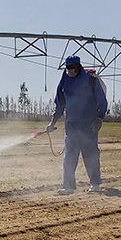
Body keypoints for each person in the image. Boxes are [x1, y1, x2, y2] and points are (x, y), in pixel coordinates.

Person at [46, 55, 108, 194]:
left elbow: (102, 102)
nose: (69, 70)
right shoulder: (64, 82)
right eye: (67, 67)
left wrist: (99, 118)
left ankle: (95, 184)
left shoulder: (91, 81)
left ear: (78, 67)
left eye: (72, 67)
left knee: (90, 155)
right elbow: (59, 105)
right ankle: (68, 186)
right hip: (71, 126)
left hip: (89, 126)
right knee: (69, 156)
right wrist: (52, 122)